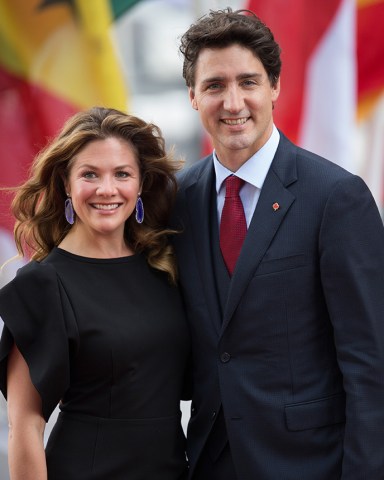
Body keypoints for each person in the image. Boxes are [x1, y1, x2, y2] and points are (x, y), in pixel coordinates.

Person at [172, 8, 384, 480]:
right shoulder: (178, 200)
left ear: (275, 87)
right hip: (209, 463)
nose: (233, 102)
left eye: (248, 82)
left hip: (311, 465)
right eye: (214, 86)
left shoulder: (336, 198)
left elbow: (371, 362)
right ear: (192, 96)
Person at [0, 106, 190, 480]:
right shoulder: (43, 286)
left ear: (140, 186)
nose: (107, 189)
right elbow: (26, 425)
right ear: (66, 184)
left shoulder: (163, 266)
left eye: (122, 174)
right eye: (90, 174)